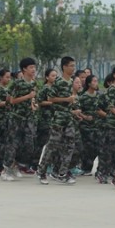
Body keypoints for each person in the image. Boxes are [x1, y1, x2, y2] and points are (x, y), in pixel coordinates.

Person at [37, 56, 78, 184]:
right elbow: (50, 98)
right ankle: (42, 171)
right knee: (52, 145)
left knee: (70, 145)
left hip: (68, 118)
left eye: (74, 66)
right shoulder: (59, 81)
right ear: (64, 67)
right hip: (58, 118)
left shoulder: (71, 81)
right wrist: (66, 100)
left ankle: (62, 172)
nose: (73, 68)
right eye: (71, 65)